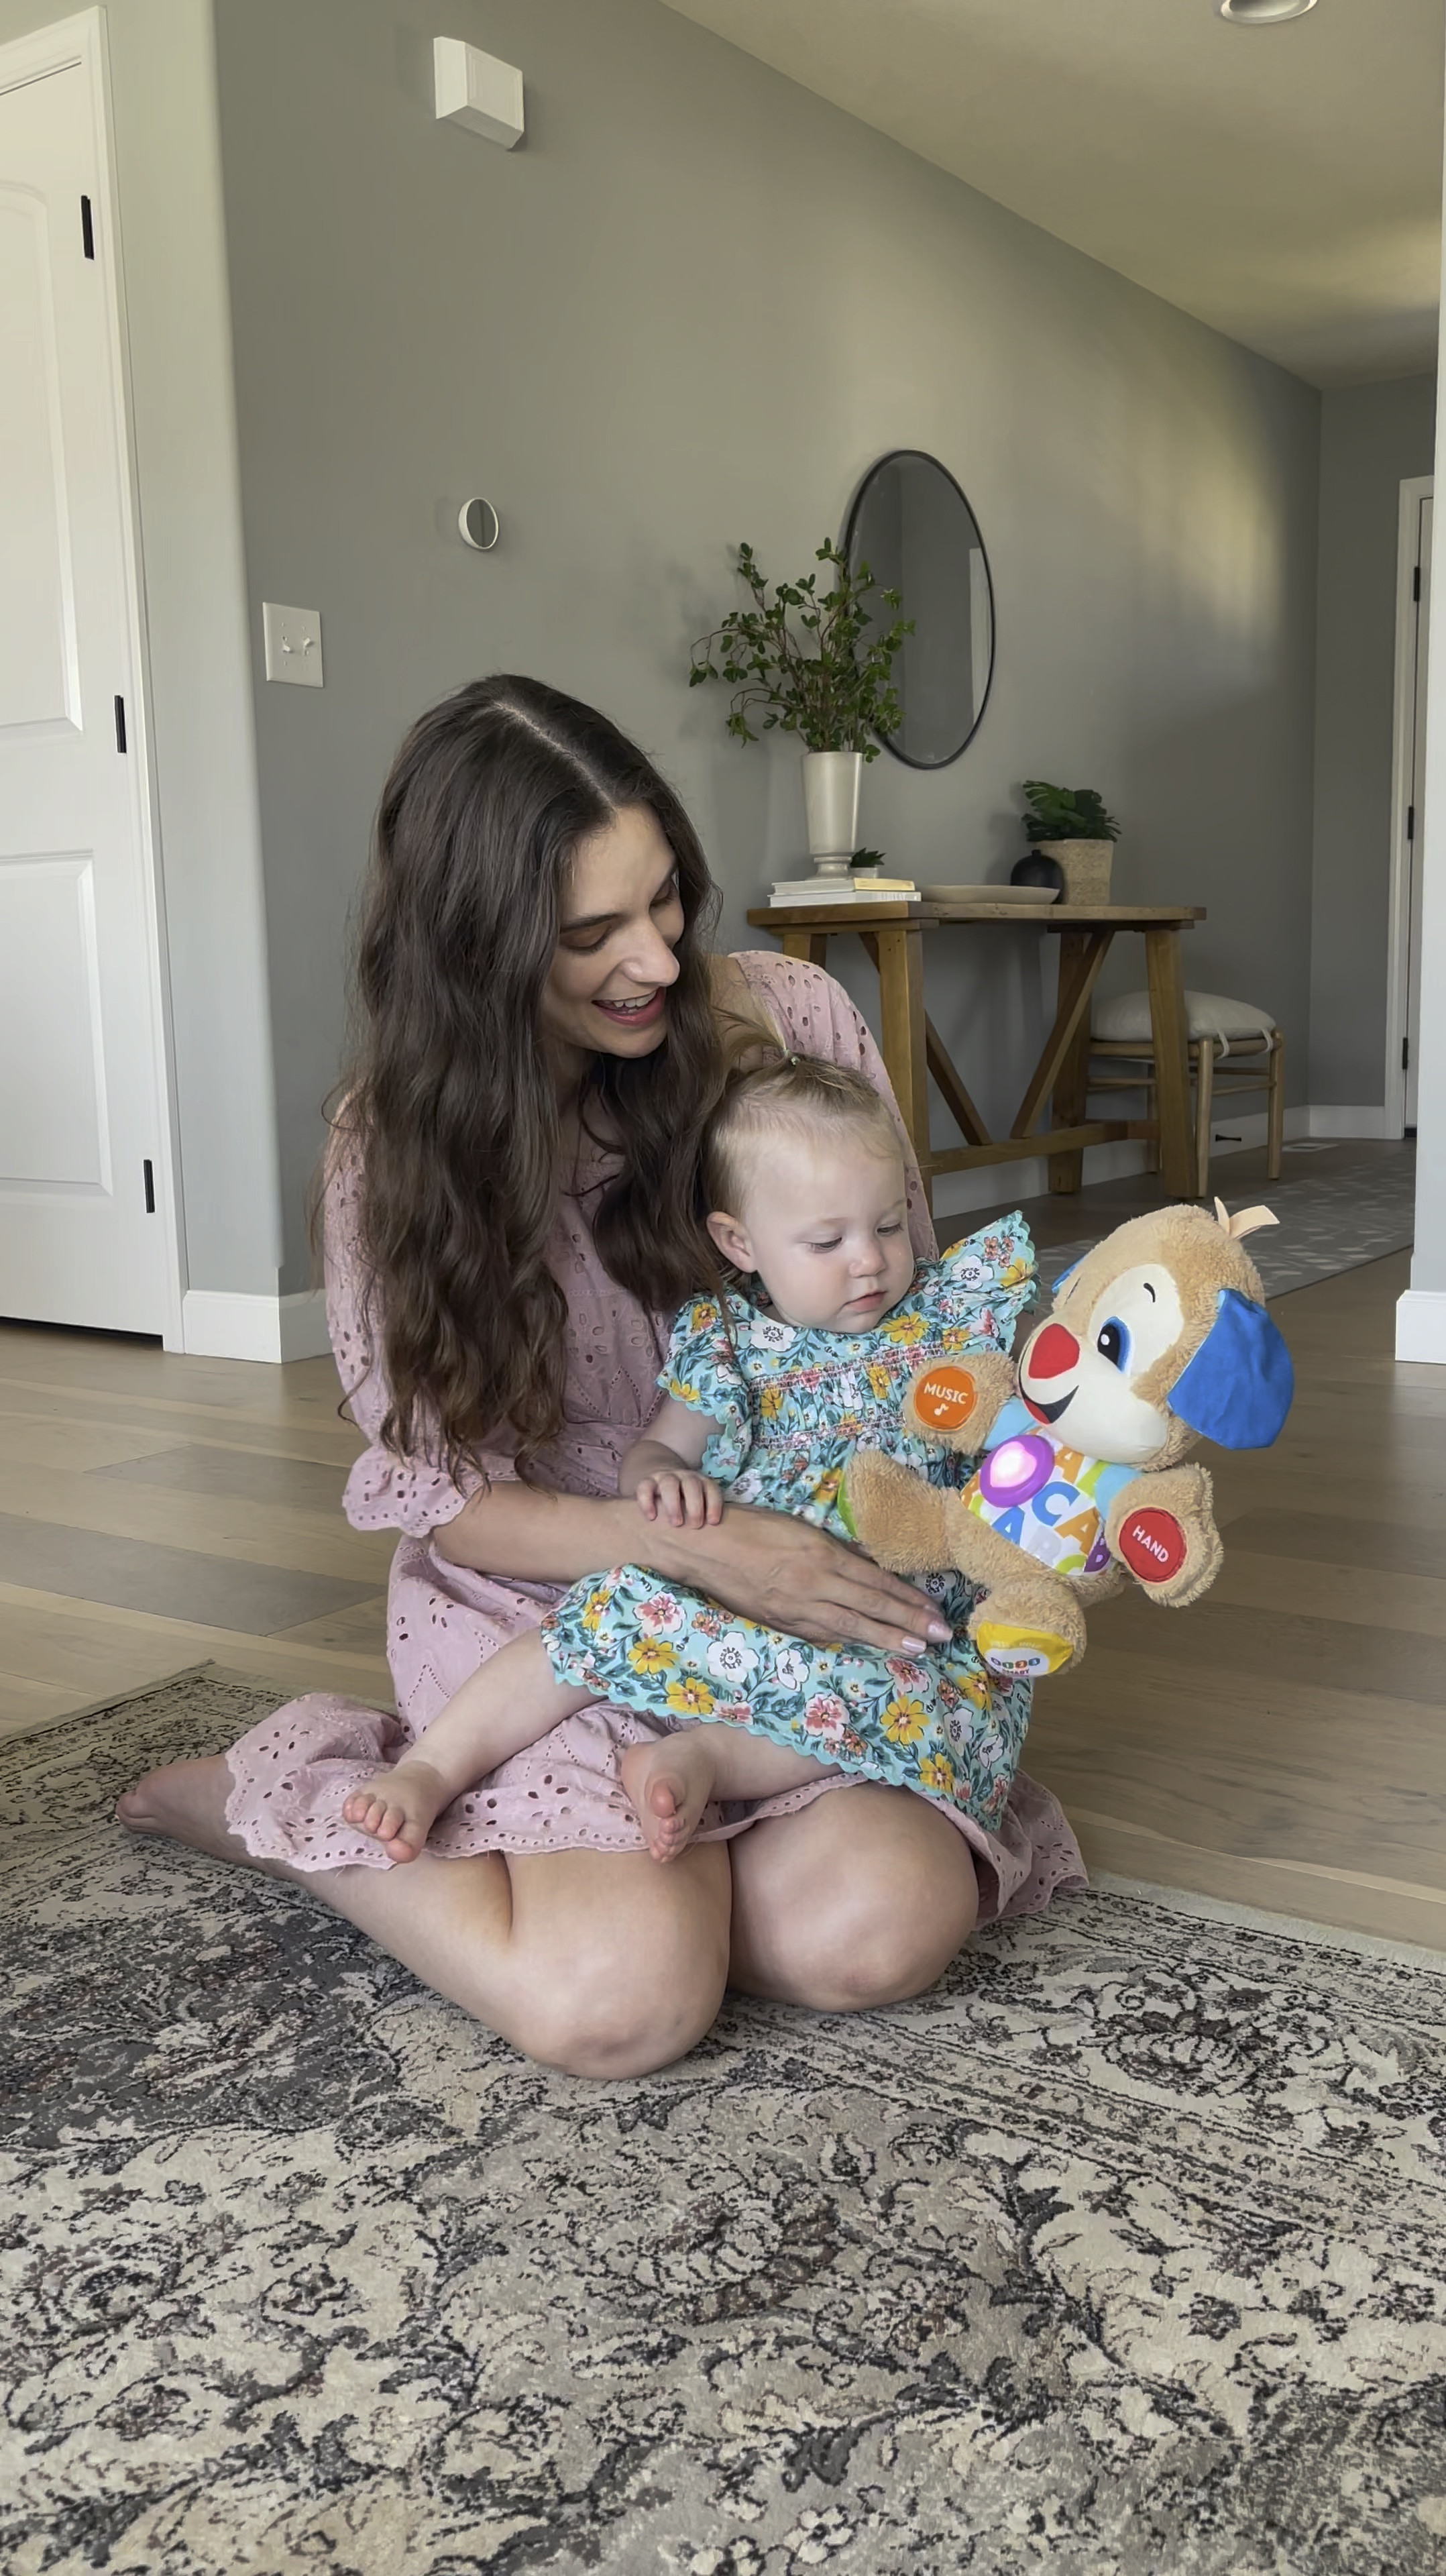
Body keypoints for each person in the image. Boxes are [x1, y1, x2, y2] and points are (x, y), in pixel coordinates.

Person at [118, 676, 1084, 2078]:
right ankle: (295, 1817)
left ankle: (628, 1876)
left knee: (868, 1938)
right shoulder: (390, 1149)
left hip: (804, 1596)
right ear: (477, 947)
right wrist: (691, 1547)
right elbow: (452, 1505)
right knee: (618, 2012)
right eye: (591, 934)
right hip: (550, 1602)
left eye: (666, 899)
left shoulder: (790, 1023)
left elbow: (919, 1335)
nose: (655, 959)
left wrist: (1042, 1488)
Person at [340, 1052, 1038, 1870]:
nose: (870, 1260)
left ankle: (704, 1760)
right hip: (732, 1593)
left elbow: (1028, 1413)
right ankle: (430, 1768)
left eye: (887, 1225)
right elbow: (660, 1448)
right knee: (593, 1625)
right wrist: (659, 1480)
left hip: (886, 1623)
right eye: (826, 1240)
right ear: (739, 1243)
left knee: (926, 1715)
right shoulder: (732, 1342)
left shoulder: (944, 1321)